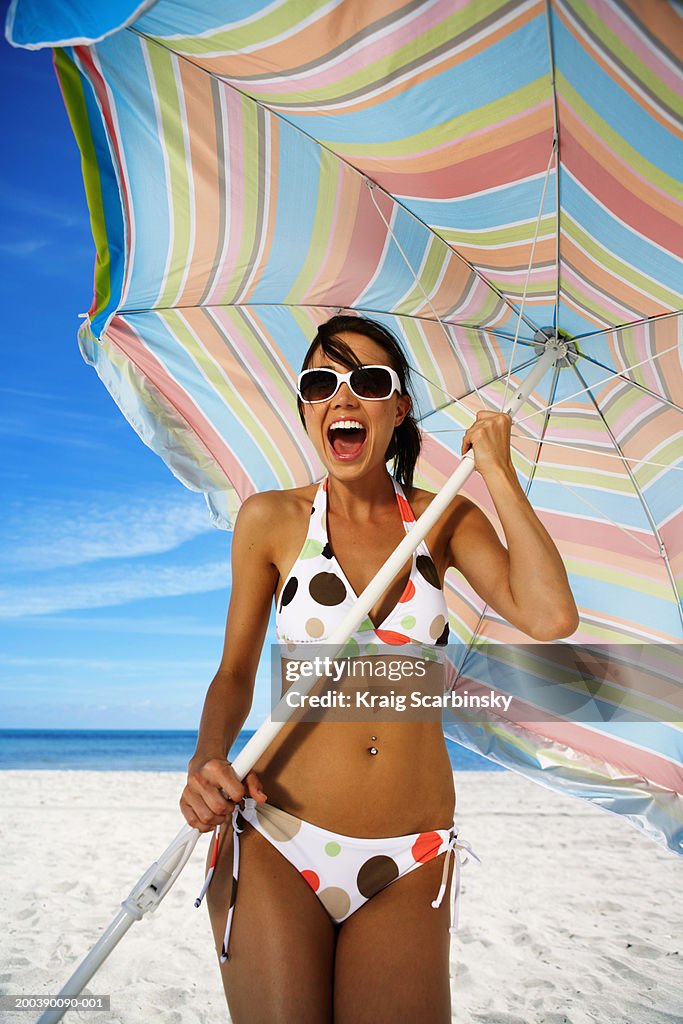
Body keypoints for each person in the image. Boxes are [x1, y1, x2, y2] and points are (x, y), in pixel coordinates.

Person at [179, 315, 578, 1023]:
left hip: (411, 854)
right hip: (276, 836)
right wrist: (207, 756)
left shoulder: (444, 521)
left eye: (367, 381)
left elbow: (549, 617)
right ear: (305, 407)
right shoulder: (271, 519)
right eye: (320, 383)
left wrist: (497, 472)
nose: (342, 397)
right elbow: (235, 673)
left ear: (397, 408)